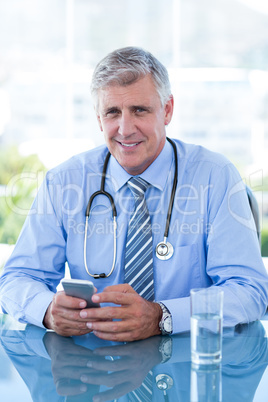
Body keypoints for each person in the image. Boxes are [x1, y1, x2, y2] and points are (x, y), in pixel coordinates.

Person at [0, 47, 267, 342]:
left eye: (139, 110)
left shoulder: (215, 176)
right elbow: (16, 280)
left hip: (186, 368)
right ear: (99, 119)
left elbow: (250, 291)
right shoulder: (63, 182)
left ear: (167, 110)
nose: (125, 129)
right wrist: (48, 311)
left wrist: (162, 316)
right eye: (112, 112)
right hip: (96, 372)